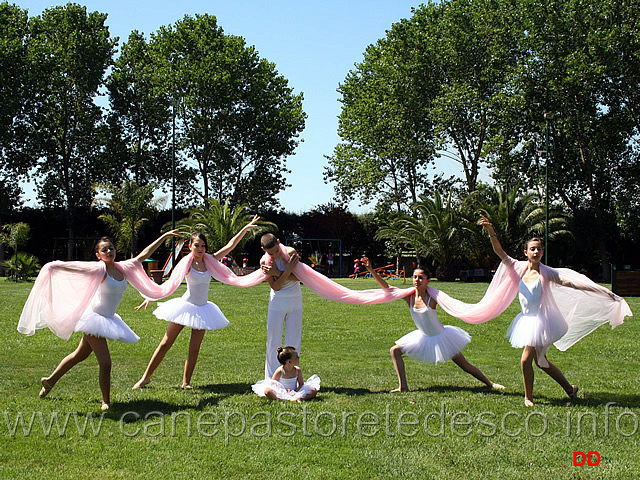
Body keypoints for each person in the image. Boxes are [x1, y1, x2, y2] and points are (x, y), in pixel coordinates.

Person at [478, 214, 629, 406]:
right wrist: (491, 230)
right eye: (533, 249)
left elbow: (575, 284)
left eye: (540, 249)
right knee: (542, 362)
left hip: (541, 321)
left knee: (526, 360)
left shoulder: (547, 273)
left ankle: (528, 398)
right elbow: (499, 251)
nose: (537, 251)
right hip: (526, 320)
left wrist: (606, 292)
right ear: (526, 252)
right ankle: (570, 389)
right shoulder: (517, 267)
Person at [21, 230, 180, 410]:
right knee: (105, 362)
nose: (109, 252)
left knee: (79, 355)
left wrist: (165, 236)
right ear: (98, 255)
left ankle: (49, 381)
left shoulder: (122, 268)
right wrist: (55, 266)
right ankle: (106, 401)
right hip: (94, 319)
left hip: (108, 318)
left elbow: (144, 254)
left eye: (111, 248)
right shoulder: (99, 269)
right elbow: (75, 267)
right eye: (104, 250)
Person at [132, 217, 260, 390]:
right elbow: (171, 283)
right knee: (165, 343)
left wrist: (245, 228)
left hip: (203, 309)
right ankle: (145, 378)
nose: (200, 249)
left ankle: (186, 382)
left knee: (194, 349)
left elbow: (231, 246)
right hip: (185, 307)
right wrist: (151, 296)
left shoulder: (211, 260)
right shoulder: (187, 263)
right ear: (190, 247)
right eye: (196, 245)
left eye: (202, 246)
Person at [362, 258, 505, 393]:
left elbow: (456, 304)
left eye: (420, 278)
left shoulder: (432, 298)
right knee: (395, 350)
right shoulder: (409, 297)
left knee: (465, 365)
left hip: (442, 337)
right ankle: (403, 387)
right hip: (422, 336)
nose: (416, 280)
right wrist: (370, 269)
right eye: (415, 277)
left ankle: (490, 384)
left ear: (427, 281)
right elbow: (387, 287)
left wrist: (478, 308)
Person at [259, 234, 302, 379]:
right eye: (271, 253)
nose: (275, 255)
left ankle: (292, 378)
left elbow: (300, 277)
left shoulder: (290, 253)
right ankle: (271, 378)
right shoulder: (264, 261)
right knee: (273, 340)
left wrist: (279, 272)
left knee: (294, 340)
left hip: (295, 300)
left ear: (279, 242)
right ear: (263, 250)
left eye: (276, 251)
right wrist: (286, 271)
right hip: (277, 302)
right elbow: (276, 286)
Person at [251, 346, 320, 401]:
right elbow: (273, 384)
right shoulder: (280, 371)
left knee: (313, 390)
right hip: (282, 392)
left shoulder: (297, 370)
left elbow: (301, 383)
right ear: (289, 361)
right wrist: (284, 391)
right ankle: (281, 399)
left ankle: (298, 398)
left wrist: (295, 392)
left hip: (295, 392)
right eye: (296, 357)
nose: (298, 358)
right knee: (267, 391)